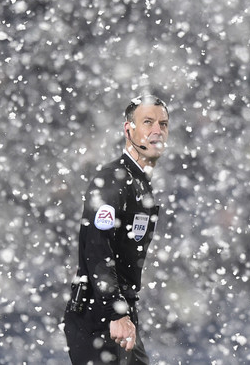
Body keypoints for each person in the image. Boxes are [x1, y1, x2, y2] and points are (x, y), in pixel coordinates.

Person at [63, 95, 170, 364]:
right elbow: (97, 247)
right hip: (99, 317)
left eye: (163, 124)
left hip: (118, 314)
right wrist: (115, 312)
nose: (157, 130)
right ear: (128, 129)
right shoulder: (113, 179)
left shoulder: (138, 182)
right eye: (147, 122)